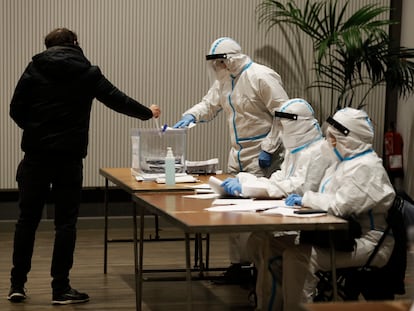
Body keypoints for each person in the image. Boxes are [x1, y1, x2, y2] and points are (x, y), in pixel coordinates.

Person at [8, 28, 161, 305]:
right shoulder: (88, 73)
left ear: (48, 46)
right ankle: (60, 289)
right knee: (65, 223)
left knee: (26, 220)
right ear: (75, 44)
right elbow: (118, 100)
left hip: (35, 156)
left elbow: (15, 108)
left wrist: (36, 130)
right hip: (68, 158)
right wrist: (147, 112)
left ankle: (17, 285)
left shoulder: (34, 68)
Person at [173, 37, 289, 283]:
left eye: (219, 63)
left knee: (255, 213)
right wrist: (191, 116)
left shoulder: (261, 76)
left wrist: (269, 147)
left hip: (262, 154)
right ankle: (239, 265)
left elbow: (284, 114)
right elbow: (209, 104)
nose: (216, 68)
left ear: (230, 59)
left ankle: (259, 267)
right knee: (232, 210)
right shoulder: (225, 80)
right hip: (237, 153)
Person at [220, 98, 336, 310]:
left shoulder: (318, 151)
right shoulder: (296, 150)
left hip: (314, 229)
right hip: (295, 220)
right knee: (258, 241)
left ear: (299, 124)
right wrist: (247, 181)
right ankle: (269, 301)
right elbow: (281, 178)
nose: (283, 130)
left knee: (270, 248)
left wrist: (250, 188)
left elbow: (298, 187)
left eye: (286, 124)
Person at [281, 108, 395, 311]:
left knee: (297, 257)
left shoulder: (366, 167)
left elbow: (340, 206)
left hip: (368, 242)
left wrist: (307, 199)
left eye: (333, 138)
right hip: (342, 236)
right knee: (278, 246)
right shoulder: (344, 163)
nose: (329, 143)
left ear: (349, 139)